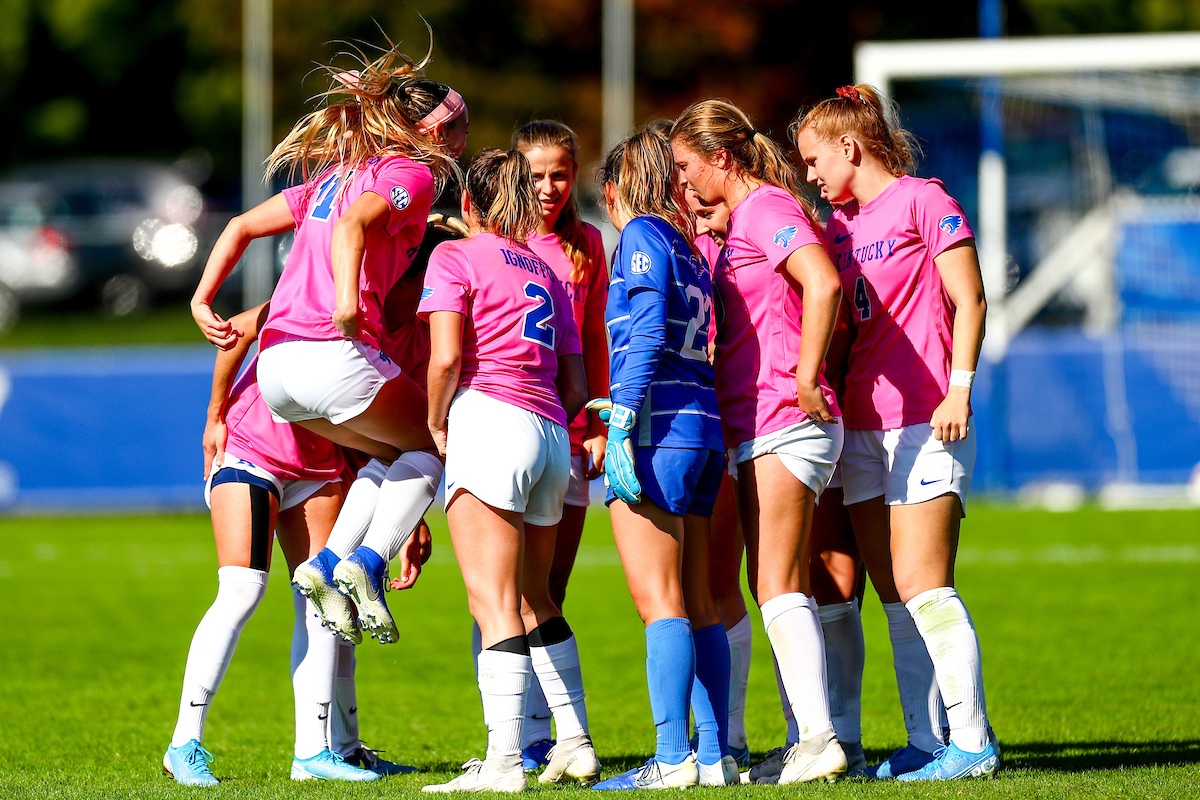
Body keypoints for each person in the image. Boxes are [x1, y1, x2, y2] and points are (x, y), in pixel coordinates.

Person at [189, 43, 468, 646]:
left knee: (391, 457)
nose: (464, 135)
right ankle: (364, 564)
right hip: (329, 351)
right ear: (430, 130)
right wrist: (347, 300)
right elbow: (353, 227)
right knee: (439, 445)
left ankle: (325, 565)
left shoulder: (331, 179)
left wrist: (201, 298)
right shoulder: (410, 174)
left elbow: (238, 226)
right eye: (459, 123)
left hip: (276, 369)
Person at [793, 83, 998, 781]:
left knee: (924, 584)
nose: (813, 176)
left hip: (926, 418)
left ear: (850, 146)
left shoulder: (924, 200)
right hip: (860, 431)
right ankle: (927, 738)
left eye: (816, 160)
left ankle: (972, 743)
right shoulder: (837, 228)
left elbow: (970, 298)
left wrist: (959, 389)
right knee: (894, 596)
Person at [164, 303, 419, 786]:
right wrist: (214, 415)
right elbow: (237, 330)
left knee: (323, 596)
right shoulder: (316, 289)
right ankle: (183, 743)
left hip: (319, 467)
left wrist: (407, 521)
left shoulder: (404, 324)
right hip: (250, 450)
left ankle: (313, 753)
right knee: (241, 589)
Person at [671, 99, 847, 784]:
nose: (684, 184)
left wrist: (806, 376)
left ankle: (821, 737)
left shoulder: (768, 209)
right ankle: (796, 736)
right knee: (766, 583)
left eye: (688, 167)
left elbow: (823, 282)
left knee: (777, 584)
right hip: (757, 422)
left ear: (721, 158)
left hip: (785, 414)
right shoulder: (743, 218)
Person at [419, 149, 593, 793]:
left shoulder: (454, 256)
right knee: (535, 597)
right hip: (551, 433)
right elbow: (576, 385)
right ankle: (574, 743)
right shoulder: (549, 267)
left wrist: (438, 423)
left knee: (492, 605)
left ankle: (502, 764)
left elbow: (444, 359)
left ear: (468, 203)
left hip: (490, 419)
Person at [590, 129, 735, 791]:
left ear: (613, 189)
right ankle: (714, 755)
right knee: (700, 601)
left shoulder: (642, 237)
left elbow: (647, 328)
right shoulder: (686, 245)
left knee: (660, 602)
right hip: (703, 429)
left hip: (658, 432)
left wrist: (622, 416)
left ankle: (672, 757)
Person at [505, 120, 609, 769]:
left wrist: (597, 421)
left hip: (565, 439)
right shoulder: (495, 236)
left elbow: (594, 338)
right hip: (504, 429)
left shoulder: (587, 243)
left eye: (559, 174)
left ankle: (542, 735)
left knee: (546, 589)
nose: (547, 187)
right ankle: (511, 735)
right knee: (500, 591)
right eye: (535, 174)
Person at [686, 191, 754, 769]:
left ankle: (728, 737)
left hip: (728, 425)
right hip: (717, 424)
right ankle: (723, 739)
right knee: (707, 584)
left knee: (723, 584)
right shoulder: (694, 246)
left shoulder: (746, 234)